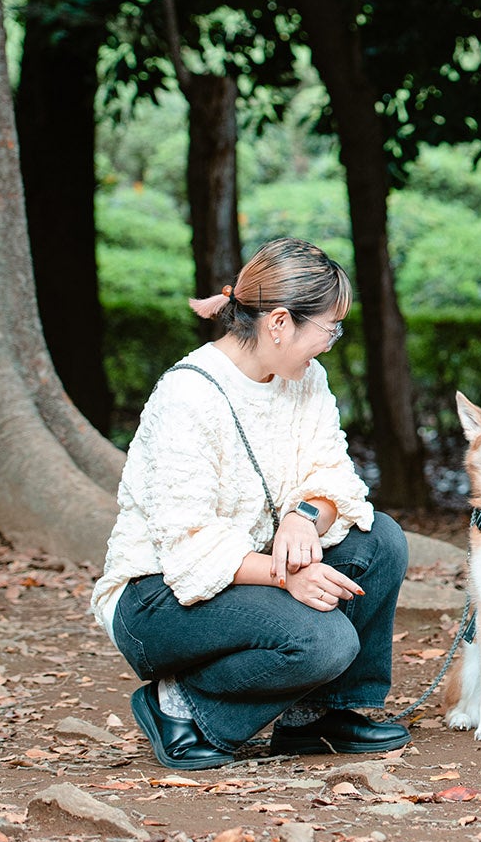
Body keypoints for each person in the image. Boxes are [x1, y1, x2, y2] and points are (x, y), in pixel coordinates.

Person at [91, 237, 410, 770]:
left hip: (247, 571)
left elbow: (333, 475)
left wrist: (304, 516)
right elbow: (187, 545)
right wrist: (287, 576)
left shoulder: (304, 379)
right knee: (324, 642)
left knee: (380, 541)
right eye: (329, 328)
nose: (331, 342)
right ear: (280, 323)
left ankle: (316, 717)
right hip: (157, 597)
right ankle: (179, 704)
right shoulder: (187, 397)